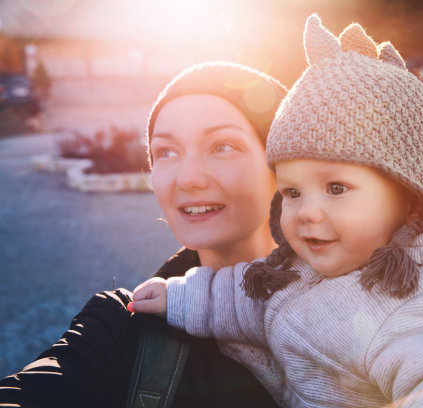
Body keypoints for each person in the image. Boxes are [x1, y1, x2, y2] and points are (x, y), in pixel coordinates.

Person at [130, 14, 423, 407]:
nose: (306, 212)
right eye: (293, 191)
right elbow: (247, 301)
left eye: (336, 188)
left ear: (409, 201)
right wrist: (180, 296)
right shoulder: (307, 267)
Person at [0, 62, 286, 407]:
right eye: (166, 152)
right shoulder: (125, 328)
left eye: (222, 146)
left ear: (281, 165)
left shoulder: (361, 291)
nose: (188, 178)